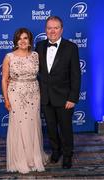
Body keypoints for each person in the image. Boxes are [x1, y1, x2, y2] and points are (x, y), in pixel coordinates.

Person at [35, 16, 81, 169]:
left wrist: (72, 98)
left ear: (61, 29)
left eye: (55, 28)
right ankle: (56, 151)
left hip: (64, 98)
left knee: (66, 128)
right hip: (46, 97)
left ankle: (67, 155)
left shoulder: (71, 47)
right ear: (45, 29)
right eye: (49, 28)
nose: (52, 31)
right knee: (51, 128)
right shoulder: (39, 46)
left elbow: (75, 74)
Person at [2, 27, 48, 174]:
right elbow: (4, 79)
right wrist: (6, 98)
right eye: (20, 38)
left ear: (30, 41)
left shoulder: (35, 55)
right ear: (16, 41)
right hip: (16, 93)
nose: (22, 41)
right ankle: (19, 159)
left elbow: (42, 74)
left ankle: (33, 157)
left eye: (25, 38)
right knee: (19, 124)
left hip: (34, 93)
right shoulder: (9, 56)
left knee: (33, 124)